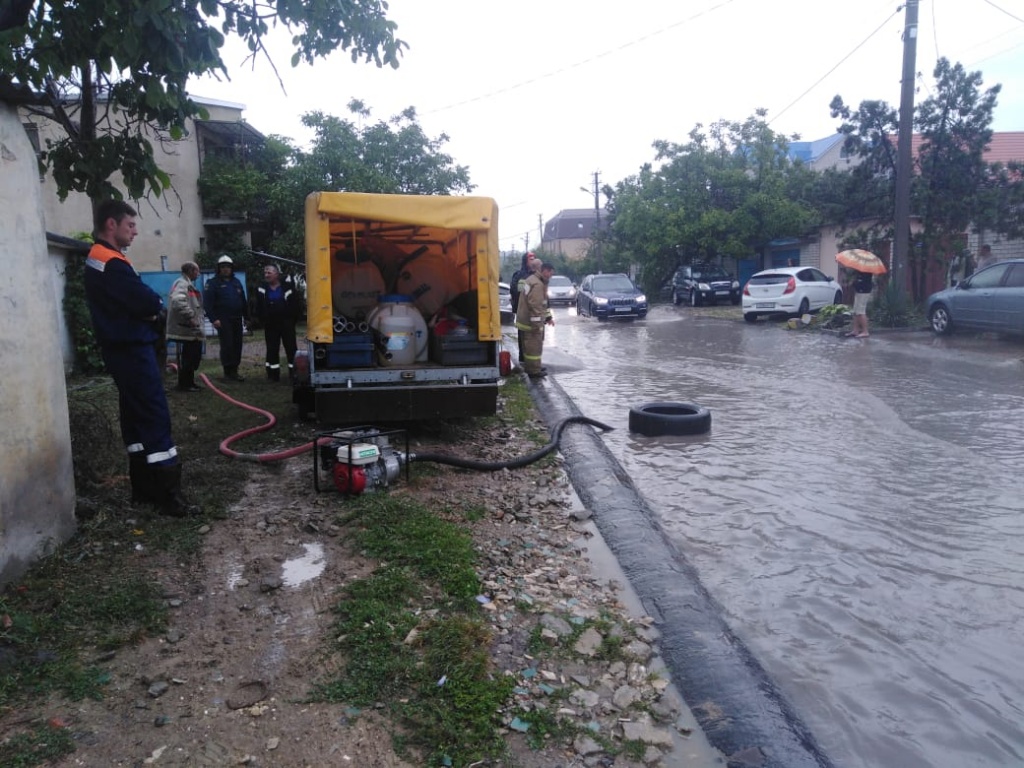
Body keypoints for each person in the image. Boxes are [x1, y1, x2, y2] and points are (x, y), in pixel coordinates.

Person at [84, 199, 195, 516]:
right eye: (130, 225)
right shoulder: (110, 262)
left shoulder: (103, 259)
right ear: (111, 224)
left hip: (122, 348)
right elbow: (147, 301)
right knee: (153, 414)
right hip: (132, 349)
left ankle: (143, 489)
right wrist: (152, 312)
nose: (135, 231)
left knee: (134, 419)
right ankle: (168, 495)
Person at [254, 263, 302, 382]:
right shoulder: (262, 288)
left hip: (287, 323)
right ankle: (272, 374)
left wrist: (292, 320)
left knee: (291, 348)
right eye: (265, 272)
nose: (266, 275)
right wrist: (261, 320)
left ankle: (294, 373)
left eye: (269, 272)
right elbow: (258, 306)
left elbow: (296, 305)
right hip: (270, 324)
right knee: (272, 348)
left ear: (277, 274)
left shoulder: (288, 287)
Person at [204, 254, 249, 381]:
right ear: (218, 268)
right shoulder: (212, 283)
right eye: (223, 267)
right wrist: (214, 319)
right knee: (227, 345)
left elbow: (243, 301)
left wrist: (247, 317)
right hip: (223, 320)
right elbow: (208, 304)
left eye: (228, 267)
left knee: (237, 344)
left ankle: (235, 371)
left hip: (237, 318)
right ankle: (227, 372)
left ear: (232, 268)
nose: (225, 269)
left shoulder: (236, 282)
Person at [166, 261, 205, 392]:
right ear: (191, 271)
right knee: (190, 356)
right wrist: (191, 316)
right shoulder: (182, 284)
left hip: (188, 328)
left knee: (191, 356)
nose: (198, 274)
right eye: (197, 271)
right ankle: (185, 384)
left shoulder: (186, 283)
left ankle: (189, 383)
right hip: (186, 328)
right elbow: (178, 301)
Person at [515, 261, 555, 379]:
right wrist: (537, 325)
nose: (550, 276)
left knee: (528, 348)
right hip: (531, 323)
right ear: (545, 271)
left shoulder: (531, 279)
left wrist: (548, 317)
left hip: (524, 319)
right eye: (550, 274)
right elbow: (536, 306)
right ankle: (534, 371)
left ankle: (533, 366)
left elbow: (543, 304)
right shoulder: (538, 285)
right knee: (534, 347)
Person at [509, 252, 538, 363]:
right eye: (531, 259)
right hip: (523, 311)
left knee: (535, 337)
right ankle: (524, 360)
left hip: (535, 312)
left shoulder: (538, 275)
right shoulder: (519, 276)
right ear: (525, 261)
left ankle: (534, 361)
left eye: (534, 258)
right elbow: (516, 292)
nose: (533, 260)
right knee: (523, 335)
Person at [846, 269, 873, 338]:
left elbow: (863, 282)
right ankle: (855, 330)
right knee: (856, 311)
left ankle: (865, 331)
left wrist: (854, 283)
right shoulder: (860, 270)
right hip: (859, 291)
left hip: (863, 292)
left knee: (861, 311)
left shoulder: (867, 270)